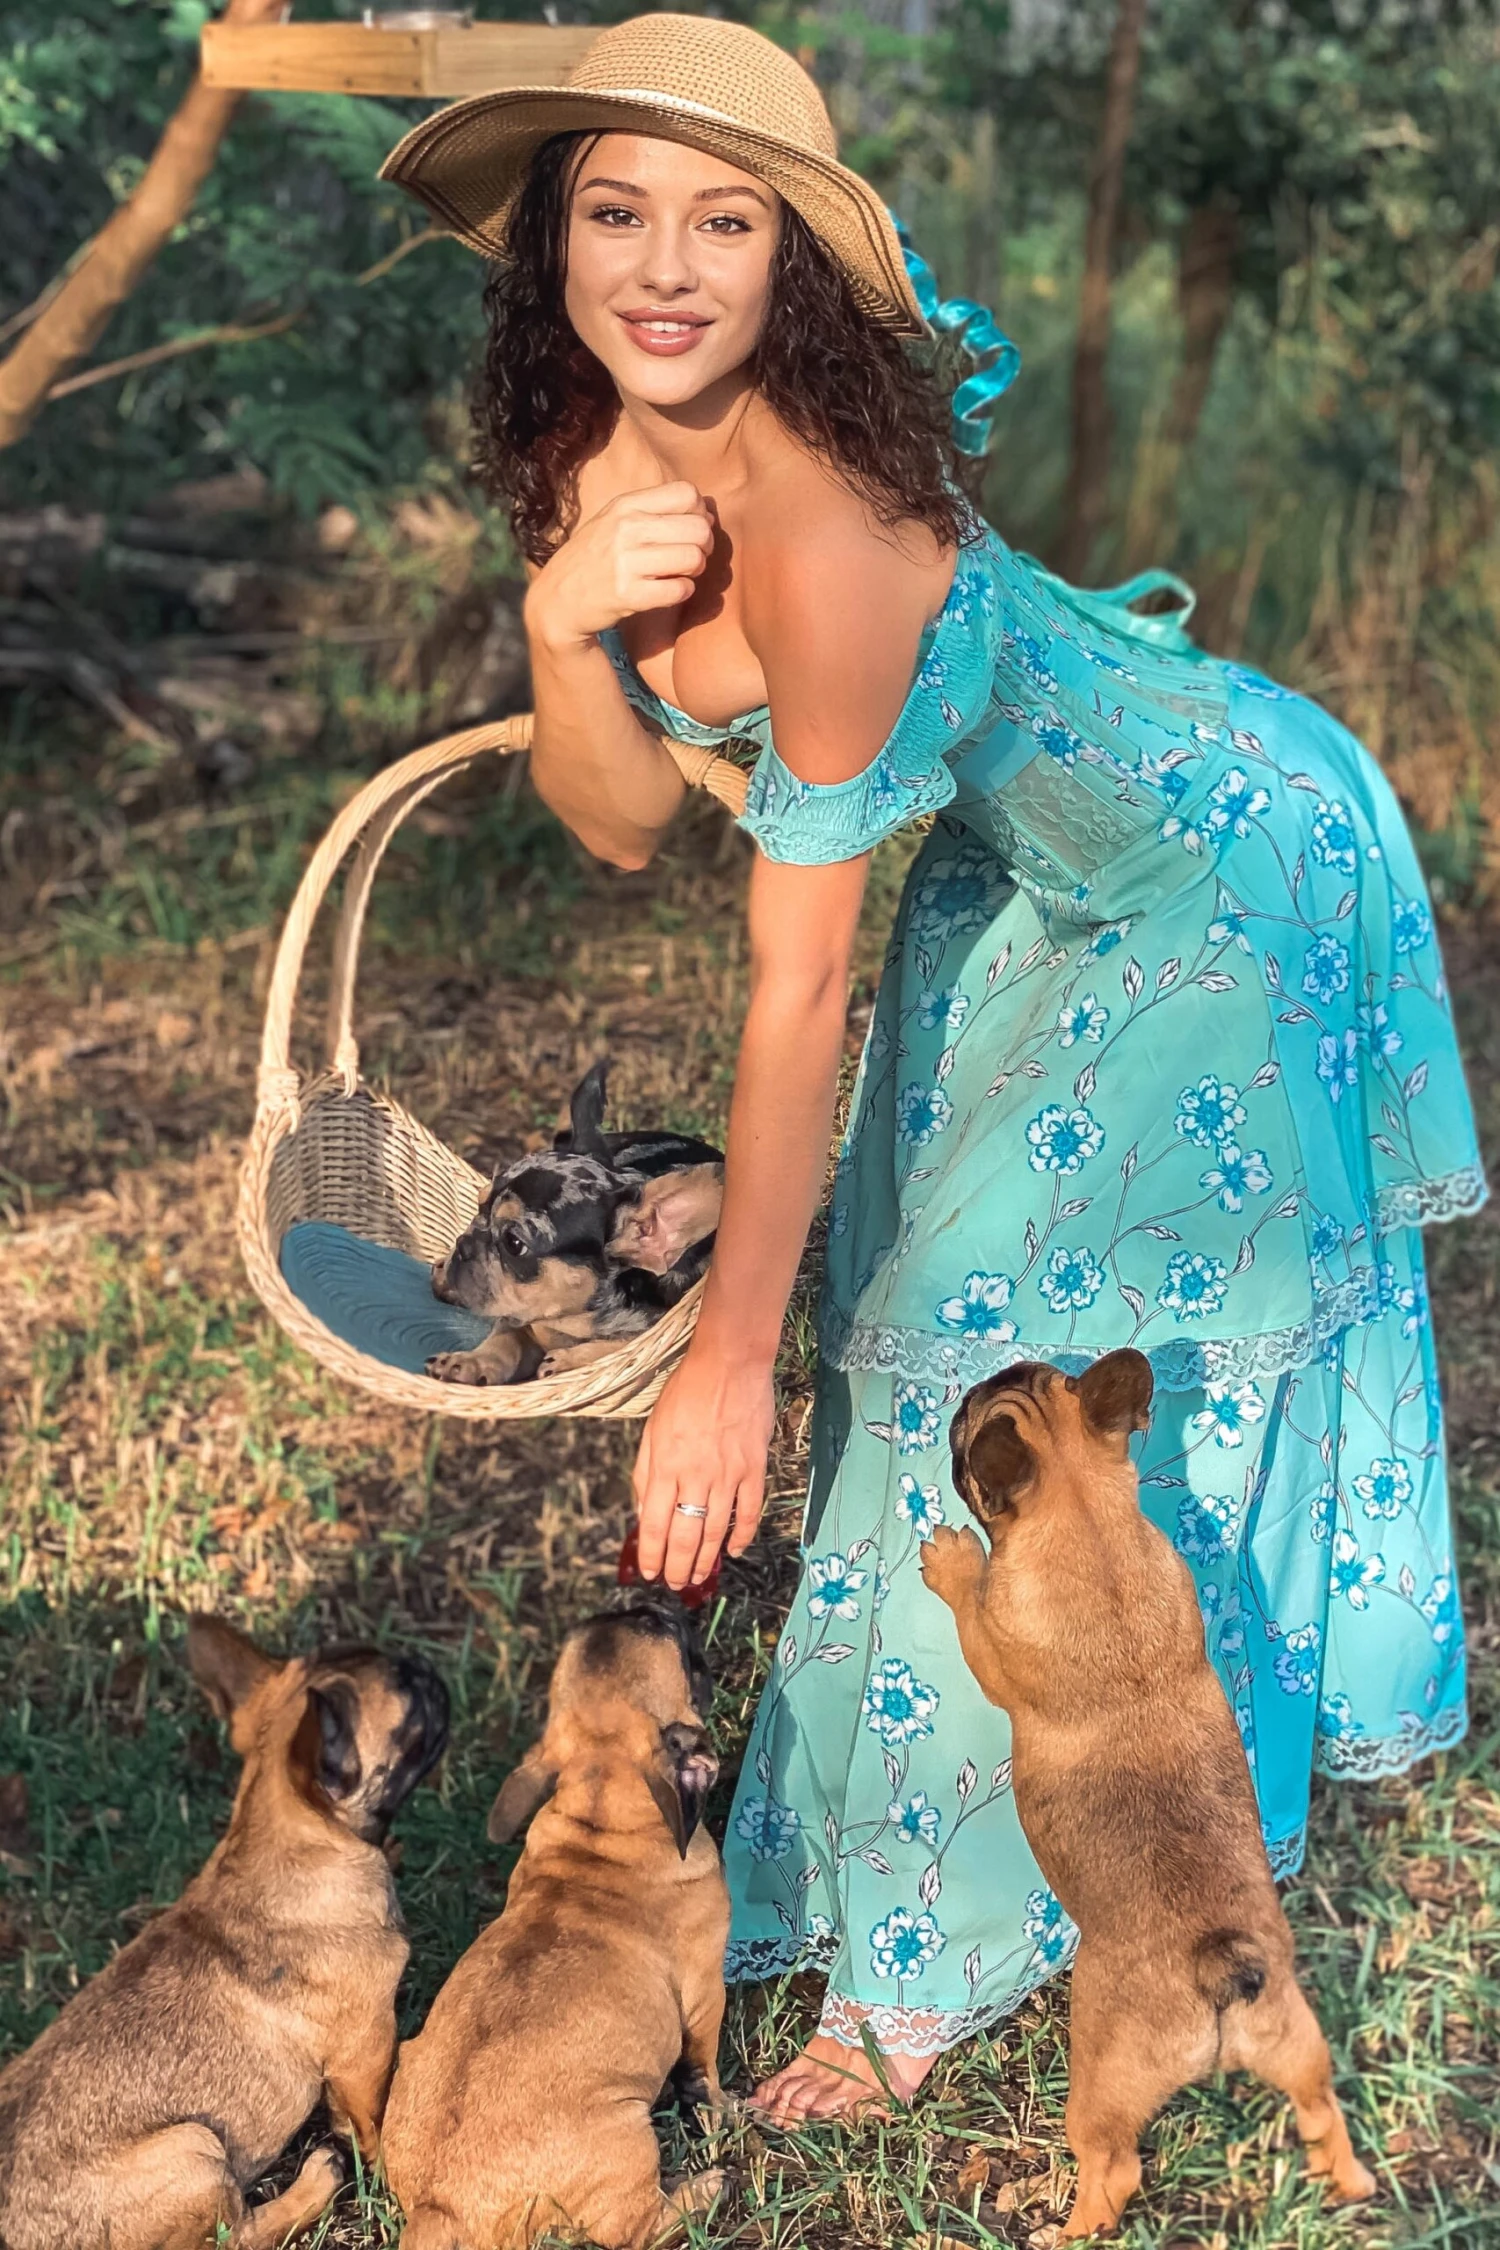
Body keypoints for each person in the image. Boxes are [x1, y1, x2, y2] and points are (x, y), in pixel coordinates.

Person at [383, 13, 1486, 2122]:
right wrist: (551, 623)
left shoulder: (822, 529)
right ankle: (927, 1854)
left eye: (727, 221)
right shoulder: (605, 448)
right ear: (551, 243)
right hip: (1030, 870)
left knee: (950, 1354)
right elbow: (615, 819)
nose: (665, 267)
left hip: (1217, 871)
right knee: (930, 1321)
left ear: (795, 260)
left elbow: (796, 985)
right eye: (615, 212)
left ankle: (936, 1953)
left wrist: (726, 1361)